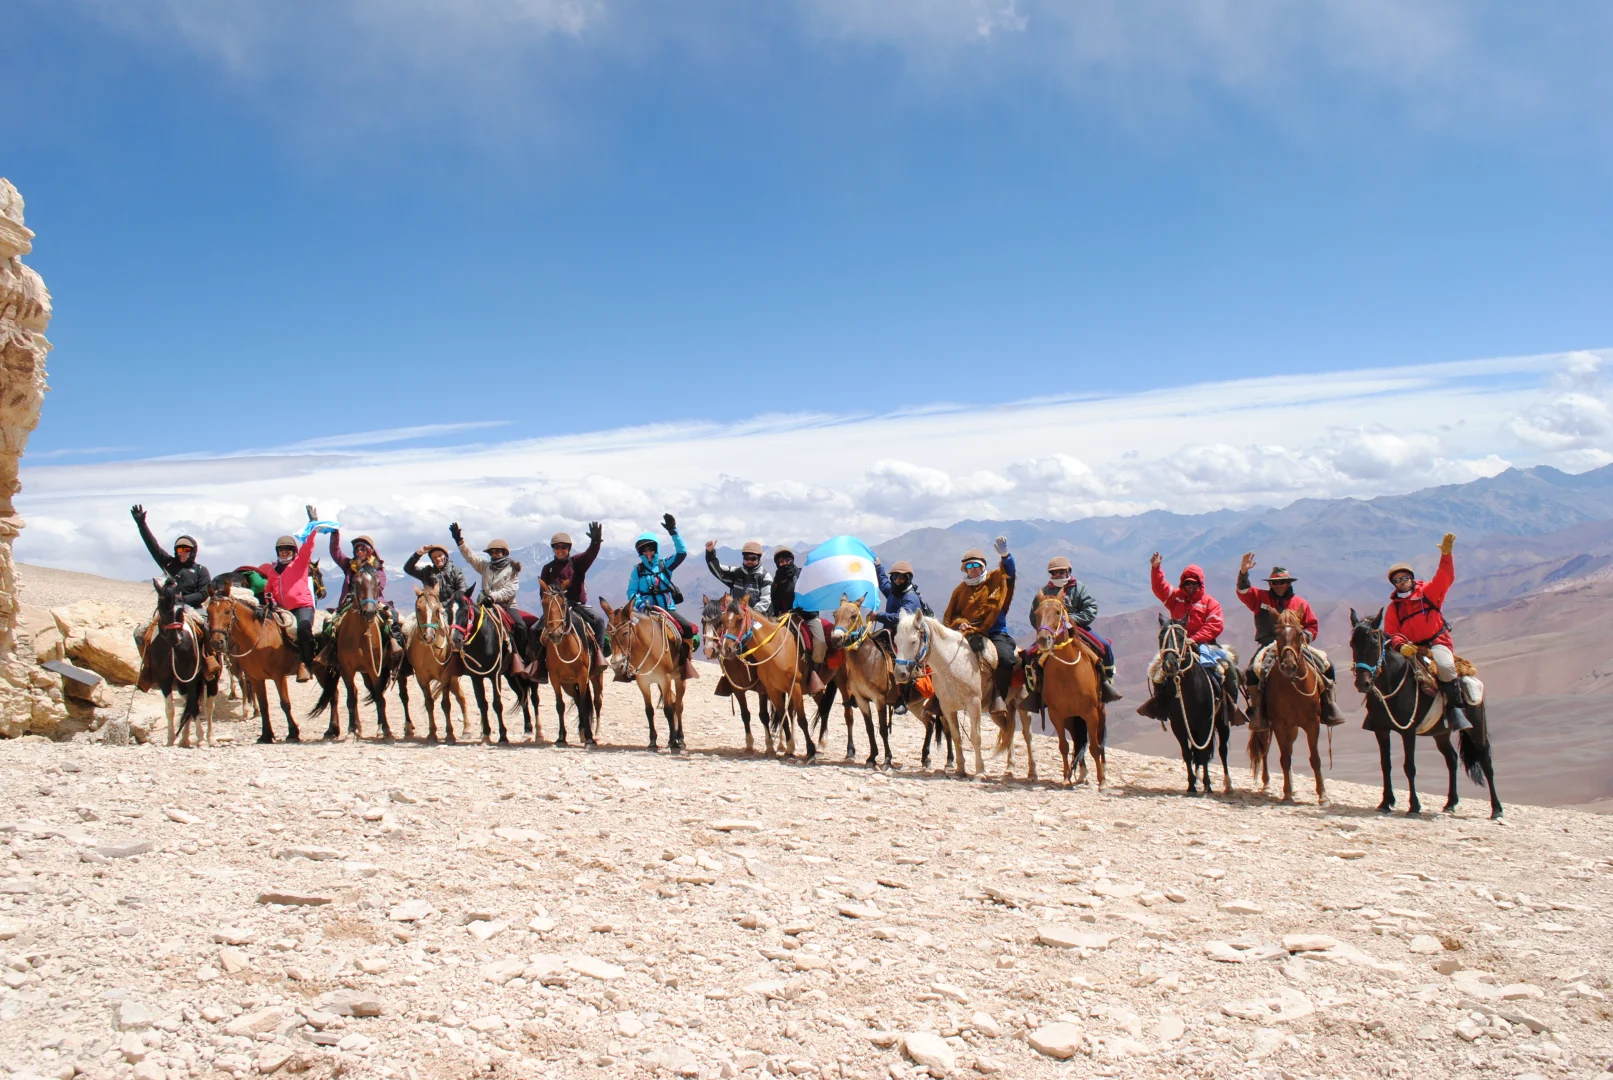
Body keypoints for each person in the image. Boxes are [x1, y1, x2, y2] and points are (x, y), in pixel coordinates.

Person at [1236, 554, 1345, 729]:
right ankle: (1257, 710)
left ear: (1289, 583)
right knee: (1251, 672)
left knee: (1327, 666)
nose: (1278, 586)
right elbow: (1243, 592)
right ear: (1270, 584)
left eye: (1282, 582)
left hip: (1296, 645)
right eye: (1275, 583)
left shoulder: (1300, 603)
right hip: (1269, 644)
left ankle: (1328, 706)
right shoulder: (1260, 598)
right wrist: (1243, 573)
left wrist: (1303, 638)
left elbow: (1312, 626)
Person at [1383, 533, 1471, 732]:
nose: (1402, 582)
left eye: (1405, 577)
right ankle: (1384, 715)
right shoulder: (1394, 608)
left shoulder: (1428, 594)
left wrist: (1446, 555)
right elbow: (1391, 633)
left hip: (1435, 642)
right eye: (1397, 580)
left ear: (1411, 578)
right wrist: (1400, 645)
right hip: (1411, 648)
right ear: (1393, 584)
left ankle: (1455, 709)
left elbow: (1445, 578)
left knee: (1446, 666)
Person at [1137, 554, 1235, 720]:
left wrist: (1194, 639)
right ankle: (1159, 704)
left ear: (1200, 584)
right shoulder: (1176, 598)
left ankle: (1230, 706)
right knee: (1157, 672)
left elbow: (1215, 625)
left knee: (1228, 669)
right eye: (1187, 583)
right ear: (1183, 583)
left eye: (1194, 583)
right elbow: (1160, 588)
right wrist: (1156, 569)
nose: (1191, 586)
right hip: (1177, 645)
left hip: (1205, 645)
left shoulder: (1210, 603)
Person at [1022, 556, 1122, 707]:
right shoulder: (1043, 592)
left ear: (1068, 571)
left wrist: (1070, 620)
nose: (1058, 575)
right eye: (1054, 573)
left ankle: (1107, 683)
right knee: (1029, 655)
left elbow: (1091, 609)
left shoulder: (1079, 588)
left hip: (1078, 628)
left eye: (1061, 572)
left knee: (1104, 646)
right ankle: (1036, 691)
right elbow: (1034, 615)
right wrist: (1047, 627)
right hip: (1053, 632)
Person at [941, 537, 1017, 712]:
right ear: (964, 569)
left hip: (995, 631)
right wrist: (960, 624)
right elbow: (954, 615)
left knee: (1005, 659)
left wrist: (1006, 556)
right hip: (968, 633)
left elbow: (1010, 573)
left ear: (983, 566)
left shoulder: (995, 579)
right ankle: (942, 699)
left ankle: (999, 695)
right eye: (969, 566)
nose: (973, 569)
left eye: (976, 565)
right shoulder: (959, 591)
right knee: (944, 657)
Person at [451, 524, 535, 674]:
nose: (494, 554)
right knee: (466, 622)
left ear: (504, 553)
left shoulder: (512, 569)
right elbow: (471, 557)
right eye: (492, 552)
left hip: (506, 606)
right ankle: (464, 657)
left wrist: (492, 597)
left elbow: (510, 589)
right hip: (485, 605)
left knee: (521, 626)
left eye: (497, 552)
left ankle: (521, 657)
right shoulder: (485, 566)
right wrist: (460, 542)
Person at [625, 513, 699, 679]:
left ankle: (685, 663)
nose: (648, 552)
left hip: (666, 609)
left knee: (686, 627)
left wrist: (673, 531)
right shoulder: (637, 571)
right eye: (644, 550)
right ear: (640, 552)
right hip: (645, 610)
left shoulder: (665, 565)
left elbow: (682, 553)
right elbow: (631, 591)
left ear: (656, 549)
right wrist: (640, 604)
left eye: (650, 548)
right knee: (626, 631)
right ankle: (628, 667)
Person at [324, 513, 405, 650]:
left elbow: (381, 585)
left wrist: (366, 594)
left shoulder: (377, 567)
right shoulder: (349, 565)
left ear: (369, 551)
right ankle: (329, 653)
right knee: (330, 623)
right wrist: (335, 534)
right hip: (350, 602)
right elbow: (335, 552)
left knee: (394, 619)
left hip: (373, 600)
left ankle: (397, 652)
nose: (359, 552)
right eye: (356, 549)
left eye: (362, 549)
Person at [257, 530, 321, 682]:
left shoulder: (300, 562)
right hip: (280, 608)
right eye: (281, 549)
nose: (284, 552)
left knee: (304, 627)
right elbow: (268, 589)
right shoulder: (273, 570)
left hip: (302, 605)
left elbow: (308, 547)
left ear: (293, 551)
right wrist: (270, 600)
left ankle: (306, 663)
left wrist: (312, 530)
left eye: (288, 549)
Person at [540, 522, 609, 660]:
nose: (560, 550)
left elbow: (590, 554)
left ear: (569, 548)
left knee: (599, 621)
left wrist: (595, 542)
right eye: (556, 547)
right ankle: (539, 665)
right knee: (534, 630)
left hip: (577, 606)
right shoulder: (548, 568)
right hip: (556, 609)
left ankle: (598, 656)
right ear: (553, 549)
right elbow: (543, 593)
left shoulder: (577, 562)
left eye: (564, 547)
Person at [768, 545, 829, 691]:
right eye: (780, 560)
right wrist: (775, 615)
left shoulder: (802, 575)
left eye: (787, 559)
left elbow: (813, 595)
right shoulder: (776, 581)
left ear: (792, 559)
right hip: (786, 617)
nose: (784, 562)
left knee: (820, 641)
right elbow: (774, 601)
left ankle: (814, 671)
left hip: (807, 615)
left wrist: (803, 608)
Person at [130, 505, 211, 608]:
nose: (182, 552)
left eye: (186, 550)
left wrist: (182, 600)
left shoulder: (201, 571)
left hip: (192, 608)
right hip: (169, 608)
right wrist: (142, 525)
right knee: (148, 624)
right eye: (179, 549)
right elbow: (154, 548)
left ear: (193, 551)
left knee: (207, 623)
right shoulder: (169, 564)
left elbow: (203, 593)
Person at [705, 539, 772, 613]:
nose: (749, 561)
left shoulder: (765, 577)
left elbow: (766, 601)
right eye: (746, 558)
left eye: (753, 558)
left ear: (759, 558)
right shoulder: (735, 572)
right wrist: (710, 552)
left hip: (757, 618)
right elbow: (717, 570)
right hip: (735, 618)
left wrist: (750, 614)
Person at [402, 543, 468, 608]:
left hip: (452, 608)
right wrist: (418, 554)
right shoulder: (427, 573)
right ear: (432, 560)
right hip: (432, 610)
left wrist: (445, 605)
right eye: (434, 557)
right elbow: (408, 568)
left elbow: (463, 590)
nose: (438, 559)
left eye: (440, 555)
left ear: (445, 556)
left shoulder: (455, 571)